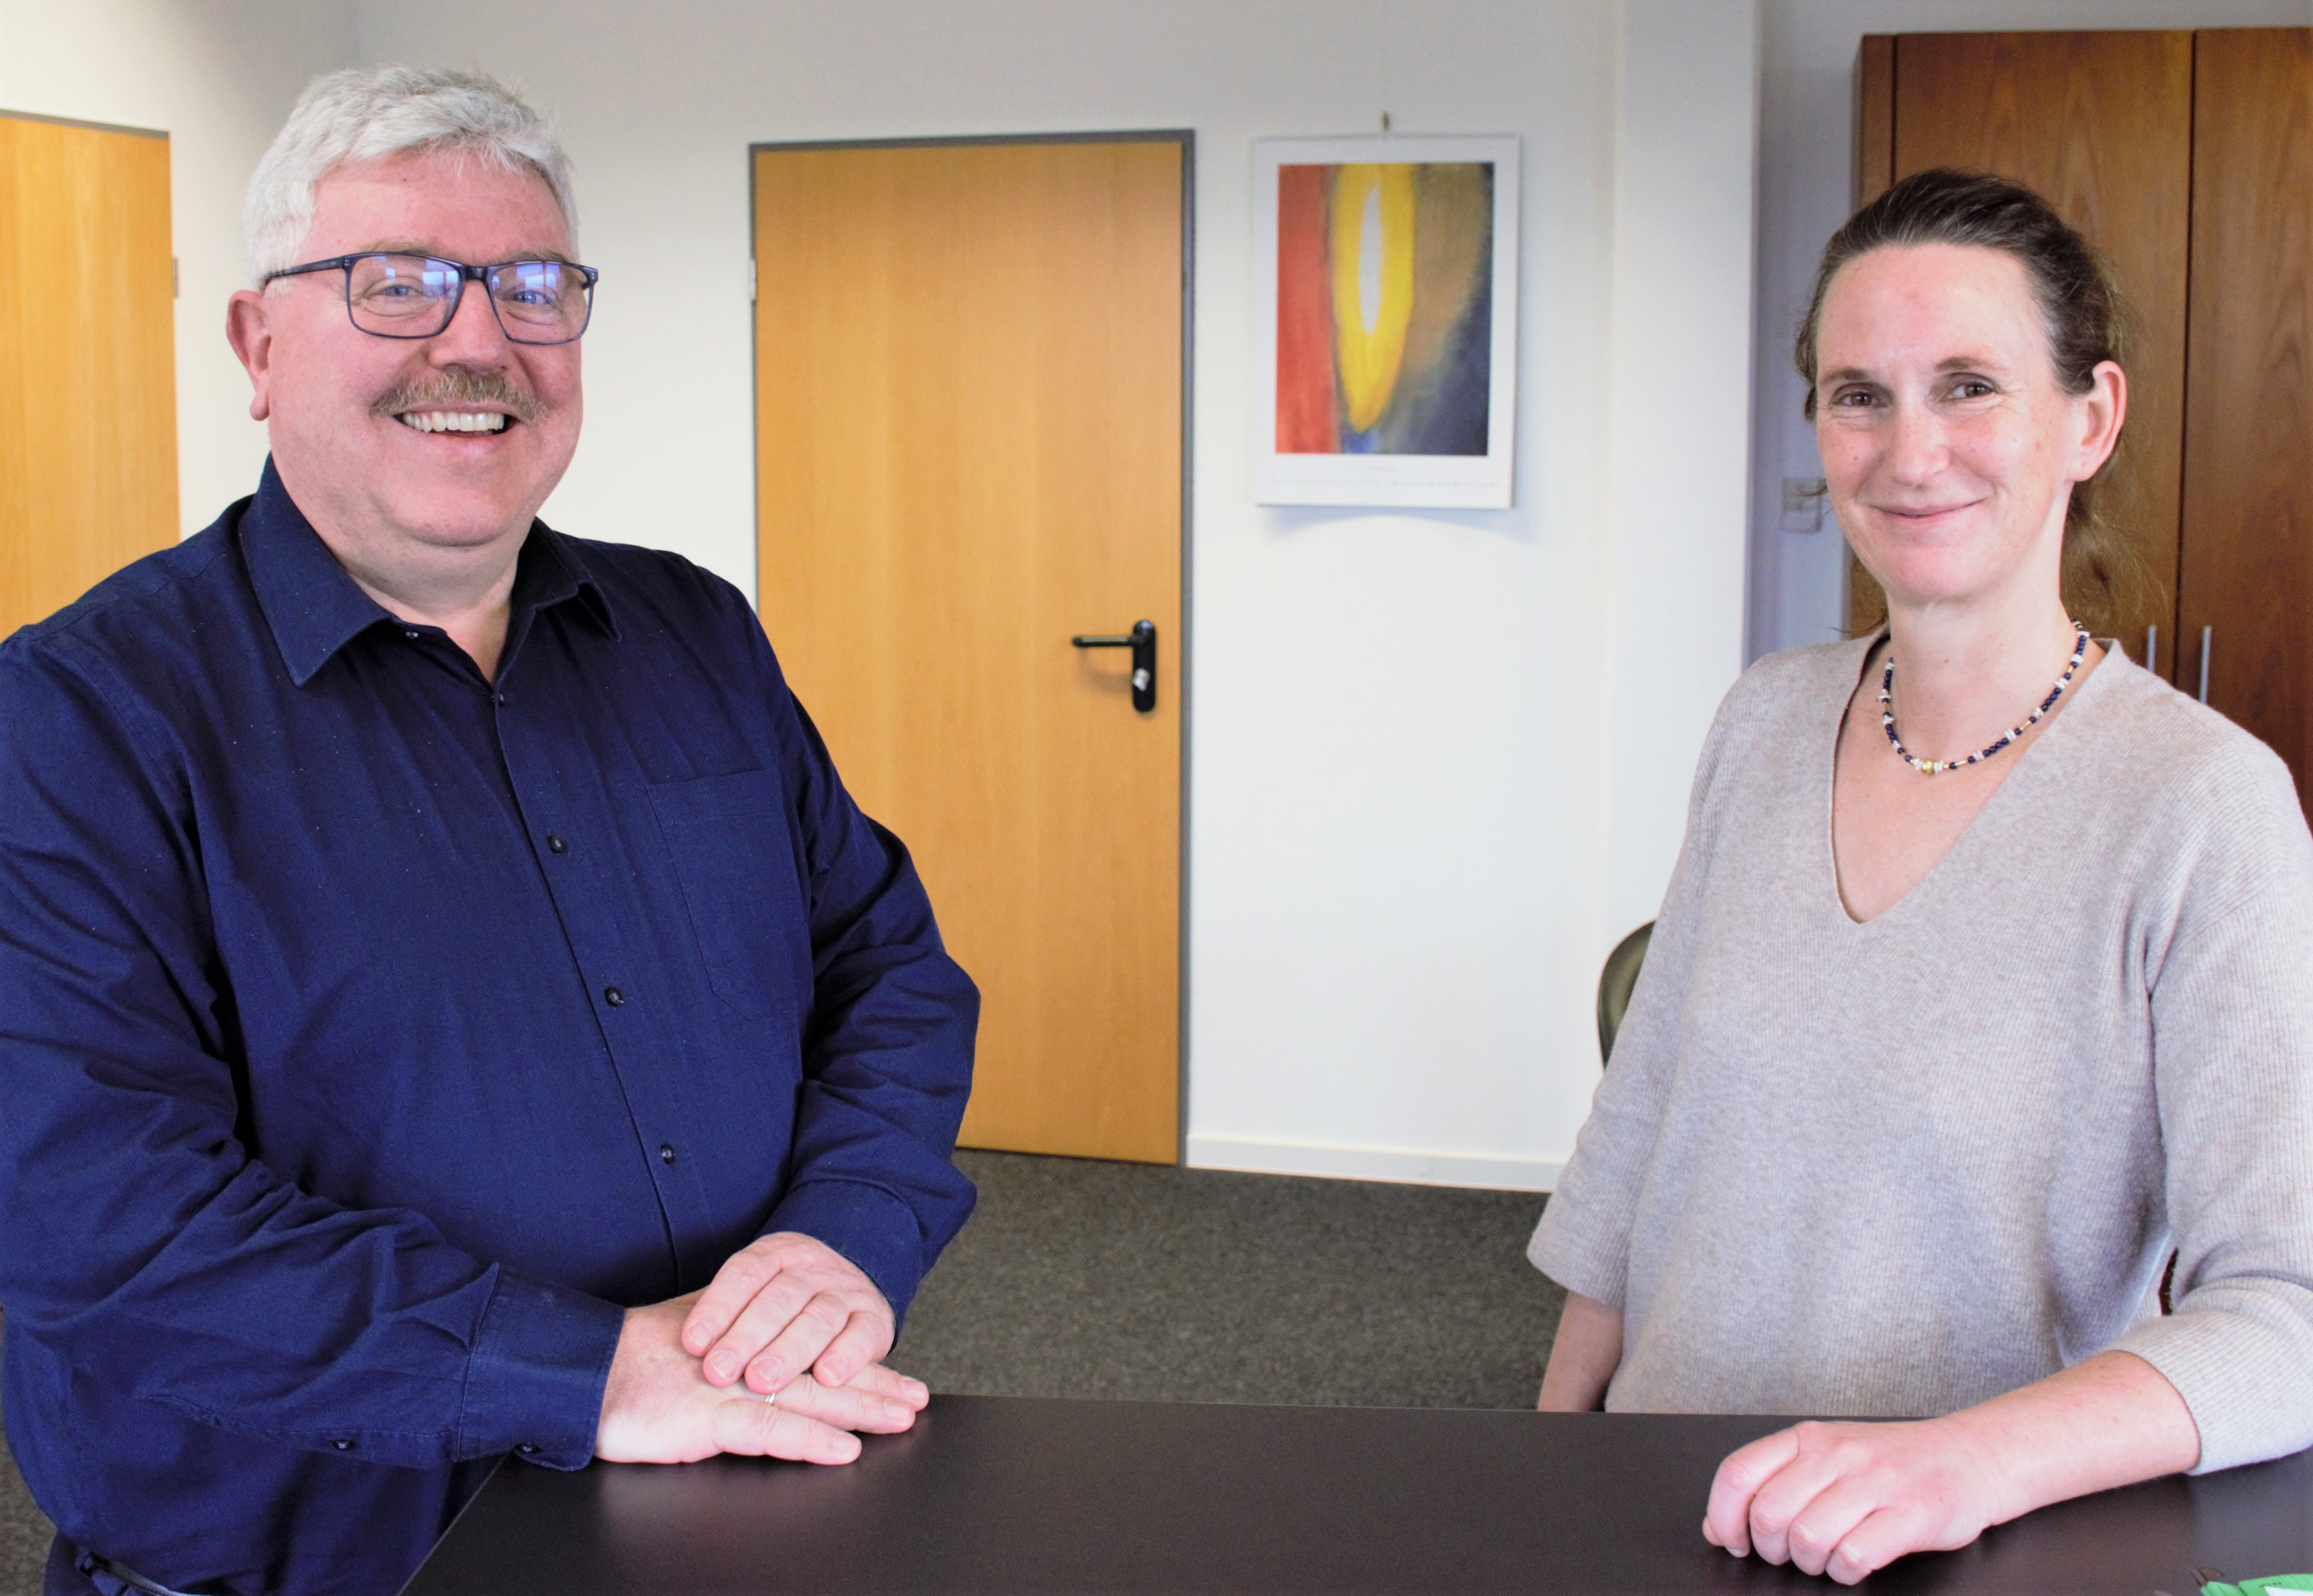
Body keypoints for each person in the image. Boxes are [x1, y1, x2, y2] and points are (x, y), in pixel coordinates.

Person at [0, 66, 978, 1596]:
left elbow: (888, 970)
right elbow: (97, 1212)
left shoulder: (692, 632)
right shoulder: (79, 719)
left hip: (729, 1505)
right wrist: (580, 1370)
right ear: (258, 342)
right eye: (395, 286)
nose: (477, 340)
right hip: (312, 1571)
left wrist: (844, 1231)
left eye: (531, 285)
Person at [1529, 168, 2313, 1585]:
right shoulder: (1762, 717)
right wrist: (1544, 1452)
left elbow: (2288, 1313)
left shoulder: (2201, 807)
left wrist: (1960, 1457)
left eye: (1966, 386)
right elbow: (1643, 1125)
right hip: (1674, 1510)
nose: (1908, 450)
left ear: (2089, 417)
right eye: (1856, 394)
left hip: (1969, 1546)